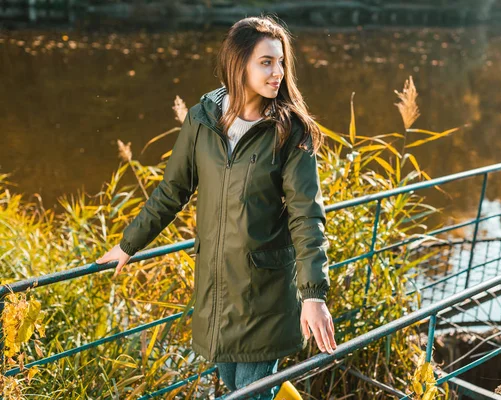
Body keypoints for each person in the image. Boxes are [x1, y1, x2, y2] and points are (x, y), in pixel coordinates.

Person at [95, 15, 337, 400]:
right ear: (238, 64)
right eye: (266, 62)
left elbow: (306, 216)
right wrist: (128, 244)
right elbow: (172, 190)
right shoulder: (201, 119)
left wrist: (312, 294)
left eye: (281, 62)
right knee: (232, 383)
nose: (278, 72)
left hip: (266, 294)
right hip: (217, 288)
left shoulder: (290, 132)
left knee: (247, 392)